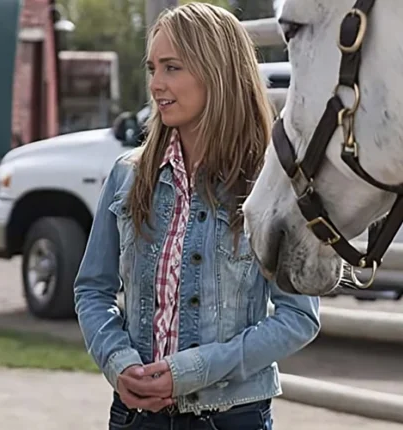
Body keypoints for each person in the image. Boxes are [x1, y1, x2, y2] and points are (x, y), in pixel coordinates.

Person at [74, 3, 320, 429]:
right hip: (135, 417)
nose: (155, 84)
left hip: (231, 417)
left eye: (172, 68)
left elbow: (299, 317)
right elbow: (92, 290)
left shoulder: (271, 186)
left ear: (217, 73)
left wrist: (193, 371)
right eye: (152, 68)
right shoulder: (127, 177)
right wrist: (118, 362)